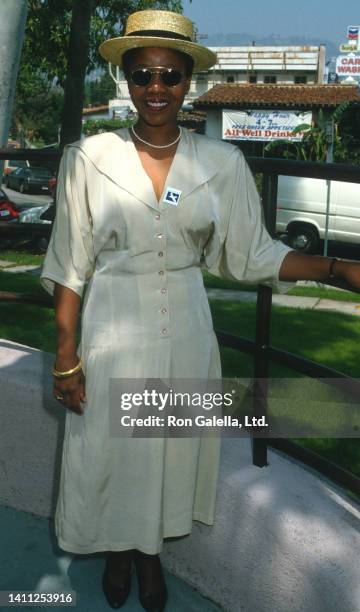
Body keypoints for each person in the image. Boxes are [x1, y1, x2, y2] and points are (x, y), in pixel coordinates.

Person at [40, 9, 360, 611]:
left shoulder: (221, 164)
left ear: (190, 82)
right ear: (125, 81)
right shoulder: (88, 157)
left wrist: (337, 269)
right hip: (111, 325)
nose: (155, 88)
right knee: (110, 446)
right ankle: (116, 550)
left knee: (166, 444)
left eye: (169, 75)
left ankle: (150, 554)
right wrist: (66, 355)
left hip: (186, 326)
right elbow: (70, 262)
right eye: (142, 75)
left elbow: (252, 254)